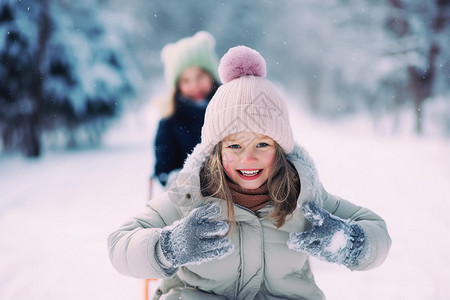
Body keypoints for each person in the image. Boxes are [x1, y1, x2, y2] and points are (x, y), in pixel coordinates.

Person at [108, 46, 391, 299]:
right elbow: (119, 244)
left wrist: (350, 243)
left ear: (280, 148)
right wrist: (169, 247)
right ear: (216, 151)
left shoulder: (304, 195)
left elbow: (377, 233)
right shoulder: (191, 195)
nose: (249, 157)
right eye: (234, 145)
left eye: (262, 144)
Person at [152, 31, 221, 187]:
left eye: (200, 77)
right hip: (189, 193)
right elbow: (164, 167)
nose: (194, 85)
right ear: (177, 86)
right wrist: (178, 179)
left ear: (211, 75)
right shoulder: (171, 120)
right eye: (186, 80)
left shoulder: (228, 106)